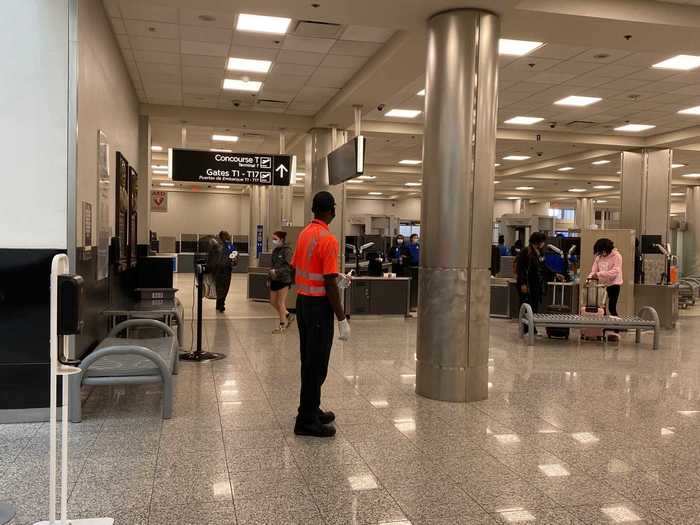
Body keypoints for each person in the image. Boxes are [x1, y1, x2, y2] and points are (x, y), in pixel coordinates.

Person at [291, 191, 350, 438]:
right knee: (317, 365)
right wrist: (342, 318)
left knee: (309, 360)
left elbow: (301, 266)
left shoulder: (305, 233)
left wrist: (336, 277)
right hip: (318, 308)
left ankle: (310, 409)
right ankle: (306, 421)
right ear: (331, 211)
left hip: (303, 303)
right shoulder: (328, 239)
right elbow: (326, 283)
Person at [515, 232, 553, 319]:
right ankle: (526, 328)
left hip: (536, 285)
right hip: (527, 284)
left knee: (534, 306)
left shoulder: (540, 252)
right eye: (542, 241)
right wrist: (523, 283)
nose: (543, 243)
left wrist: (555, 274)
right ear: (537, 241)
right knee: (527, 306)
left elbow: (543, 267)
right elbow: (520, 269)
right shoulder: (525, 252)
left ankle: (532, 328)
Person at [589, 238, 623, 317]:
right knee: (601, 307)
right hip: (602, 285)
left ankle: (617, 327)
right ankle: (603, 327)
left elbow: (615, 272)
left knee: (612, 307)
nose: (602, 254)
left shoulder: (617, 256)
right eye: (600, 252)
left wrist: (599, 274)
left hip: (614, 284)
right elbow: (593, 271)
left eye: (602, 251)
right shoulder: (598, 257)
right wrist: (590, 278)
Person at [269, 231, 294, 333]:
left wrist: (277, 271)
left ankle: (282, 326)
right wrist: (269, 278)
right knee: (273, 302)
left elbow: (289, 267)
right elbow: (272, 265)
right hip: (274, 279)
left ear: (282, 240)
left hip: (284, 280)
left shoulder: (287, 251)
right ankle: (288, 315)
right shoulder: (275, 251)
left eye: (275, 239)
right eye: (273, 239)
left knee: (280, 303)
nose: (273, 241)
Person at [208, 230, 237, 313]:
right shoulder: (222, 246)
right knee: (224, 287)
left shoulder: (225, 246)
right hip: (223, 270)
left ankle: (220, 303)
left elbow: (235, 257)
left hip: (221, 270)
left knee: (220, 287)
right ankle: (221, 303)